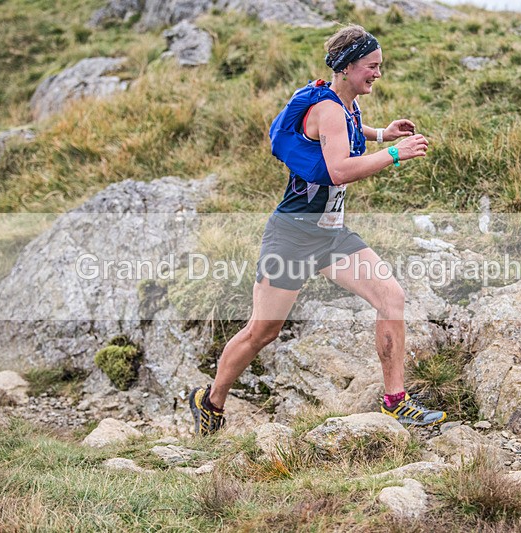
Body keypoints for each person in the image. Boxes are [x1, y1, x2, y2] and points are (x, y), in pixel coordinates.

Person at [188, 24, 447, 436]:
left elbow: (345, 132)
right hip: (292, 235)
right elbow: (339, 168)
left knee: (391, 297)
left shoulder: (344, 103)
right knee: (263, 330)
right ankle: (211, 400)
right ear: (346, 67)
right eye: (372, 66)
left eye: (380, 66)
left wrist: (382, 134)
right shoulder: (326, 107)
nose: (378, 74)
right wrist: (394, 154)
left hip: (330, 235)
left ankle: (396, 402)